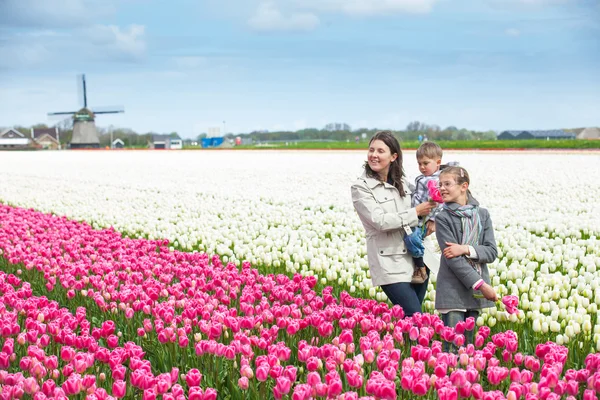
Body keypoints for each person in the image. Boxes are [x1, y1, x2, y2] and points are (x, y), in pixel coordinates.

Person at [351, 131, 435, 317]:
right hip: (389, 262)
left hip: (418, 260)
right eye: (371, 150)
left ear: (393, 156)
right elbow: (379, 221)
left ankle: (405, 346)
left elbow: (430, 202)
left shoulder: (404, 183)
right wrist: (416, 212)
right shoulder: (361, 187)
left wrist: (433, 219)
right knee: (415, 317)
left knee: (411, 321)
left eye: (381, 151)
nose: (374, 154)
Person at [434, 166, 498, 351]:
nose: (442, 189)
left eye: (447, 184)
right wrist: (481, 285)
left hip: (475, 293)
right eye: (440, 185)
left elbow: (491, 251)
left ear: (464, 186)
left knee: (470, 348)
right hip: (453, 290)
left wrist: (465, 249)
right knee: (453, 348)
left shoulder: (482, 215)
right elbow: (452, 259)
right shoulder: (443, 218)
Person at [407, 142, 445, 278]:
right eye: (419, 164)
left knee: (411, 239)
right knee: (410, 238)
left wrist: (434, 220)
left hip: (423, 220)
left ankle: (421, 265)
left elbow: (441, 203)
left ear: (438, 162)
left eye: (425, 163)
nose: (422, 167)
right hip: (415, 216)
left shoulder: (437, 181)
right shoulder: (424, 178)